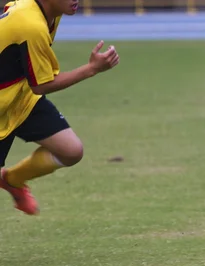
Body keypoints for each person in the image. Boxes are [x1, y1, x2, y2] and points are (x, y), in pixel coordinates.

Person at [0, 0, 120, 215]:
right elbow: (42, 85)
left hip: (20, 98)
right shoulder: (31, 24)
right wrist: (91, 69)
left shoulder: (51, 11)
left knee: (71, 151)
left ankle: (12, 180)